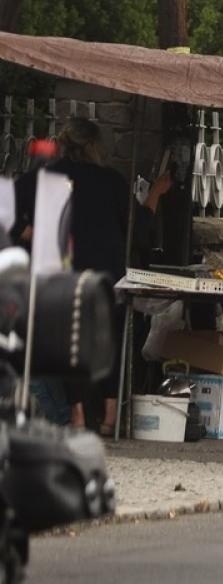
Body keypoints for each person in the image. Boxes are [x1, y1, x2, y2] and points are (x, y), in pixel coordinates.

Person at [12, 117, 170, 434]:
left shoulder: (46, 176)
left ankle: (78, 416)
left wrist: (27, 232)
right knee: (108, 342)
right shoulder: (111, 180)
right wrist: (156, 193)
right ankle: (111, 418)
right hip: (107, 276)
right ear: (97, 147)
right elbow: (138, 230)